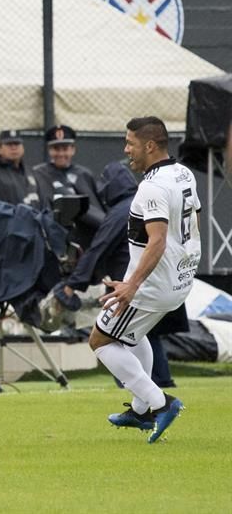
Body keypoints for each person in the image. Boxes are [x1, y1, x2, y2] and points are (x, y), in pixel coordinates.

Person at [90, 116, 200, 444]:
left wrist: (132, 284)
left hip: (152, 284)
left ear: (149, 146)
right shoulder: (184, 174)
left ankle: (158, 402)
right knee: (133, 337)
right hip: (178, 279)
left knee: (101, 340)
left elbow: (158, 240)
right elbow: (192, 223)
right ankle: (139, 410)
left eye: (130, 144)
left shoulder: (151, 187)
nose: (127, 151)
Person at [53, 161, 179, 388]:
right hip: (163, 281)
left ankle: (136, 387)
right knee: (147, 335)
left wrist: (72, 284)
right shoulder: (147, 202)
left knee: (108, 336)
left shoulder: (121, 211)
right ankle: (162, 382)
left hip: (129, 285)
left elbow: (98, 249)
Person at [33, 125, 106, 250]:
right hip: (52, 236)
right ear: (49, 150)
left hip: (84, 238)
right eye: (56, 149)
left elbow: (96, 209)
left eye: (65, 148)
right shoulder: (38, 174)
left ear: (73, 149)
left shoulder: (84, 174)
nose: (61, 153)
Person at [0, 130, 40, 208]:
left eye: (17, 144)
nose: (14, 147)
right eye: (9, 144)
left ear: (23, 148)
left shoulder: (29, 171)